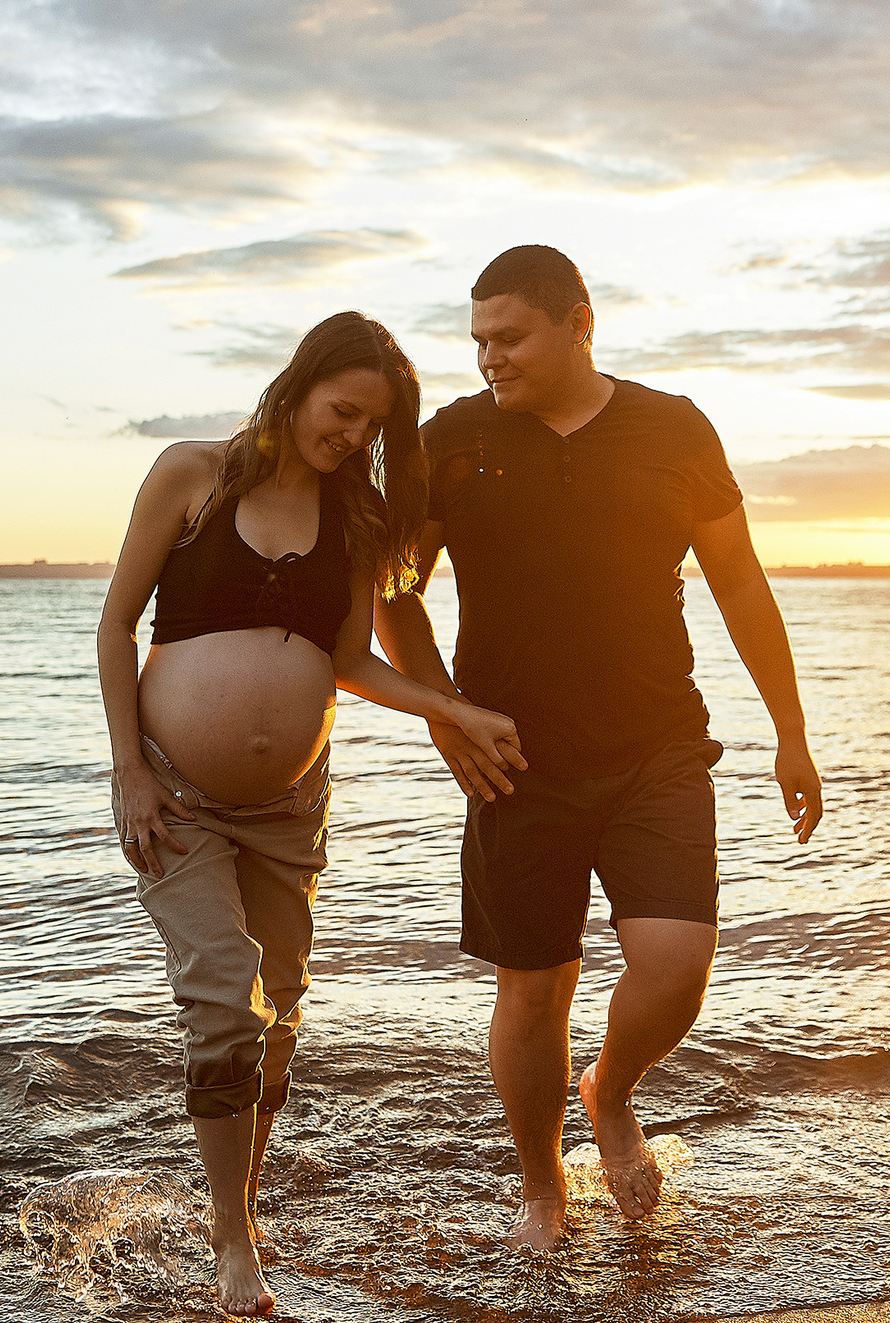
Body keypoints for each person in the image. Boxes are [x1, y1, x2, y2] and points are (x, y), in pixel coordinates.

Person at [373, 246, 823, 1251]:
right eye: (478, 339)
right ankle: (542, 1187)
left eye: (511, 336)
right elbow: (395, 587)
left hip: (656, 745)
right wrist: (445, 711)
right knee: (532, 989)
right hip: (513, 759)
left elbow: (739, 581)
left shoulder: (672, 427)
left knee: (674, 965)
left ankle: (610, 1089)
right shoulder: (452, 440)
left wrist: (791, 732)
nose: (490, 356)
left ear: (578, 322)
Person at [98, 311, 524, 1317]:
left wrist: (449, 707)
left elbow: (347, 660)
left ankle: (233, 1200)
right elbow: (117, 625)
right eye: (342, 412)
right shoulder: (189, 475)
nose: (351, 438)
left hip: (290, 806)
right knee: (221, 994)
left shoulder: (358, 516)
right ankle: (236, 1240)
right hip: (177, 796)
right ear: (298, 387)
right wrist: (126, 769)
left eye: (372, 427)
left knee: (277, 1013)